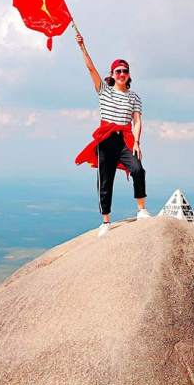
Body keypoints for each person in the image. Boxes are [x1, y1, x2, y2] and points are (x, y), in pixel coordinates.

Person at [74, 32, 150, 237]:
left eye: (125, 71)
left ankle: (141, 209)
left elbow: (137, 120)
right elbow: (91, 68)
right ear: (112, 73)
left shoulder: (134, 96)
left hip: (125, 139)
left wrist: (137, 142)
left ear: (128, 74)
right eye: (118, 71)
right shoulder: (104, 91)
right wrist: (82, 47)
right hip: (106, 139)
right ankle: (105, 221)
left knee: (138, 169)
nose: (122, 74)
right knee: (106, 179)